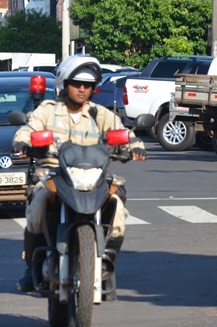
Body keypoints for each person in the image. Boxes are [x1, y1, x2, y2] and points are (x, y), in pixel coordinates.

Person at [12, 54, 147, 299]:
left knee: (117, 208)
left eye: (87, 85)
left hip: (93, 176)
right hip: (55, 173)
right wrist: (22, 142)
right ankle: (31, 267)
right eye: (77, 83)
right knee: (36, 207)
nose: (82, 89)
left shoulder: (100, 114)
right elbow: (28, 129)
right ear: (65, 84)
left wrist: (135, 145)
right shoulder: (48, 110)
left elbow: (122, 132)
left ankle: (106, 266)